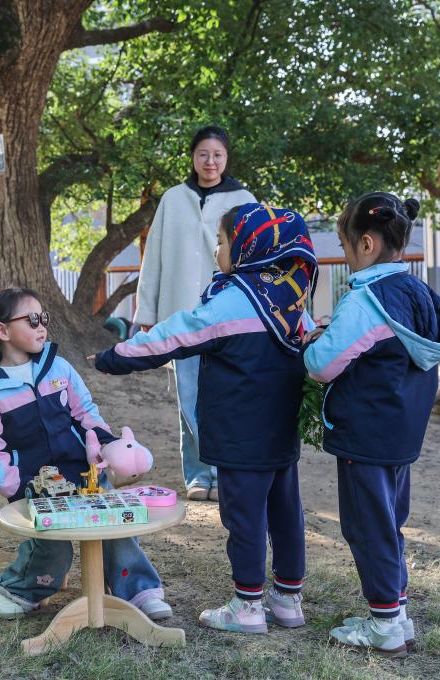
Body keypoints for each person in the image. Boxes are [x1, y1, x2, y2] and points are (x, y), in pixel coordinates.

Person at [94, 204, 317, 634]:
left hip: (239, 436)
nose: (217, 250)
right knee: (286, 512)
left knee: (245, 518)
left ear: (247, 246)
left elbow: (172, 337)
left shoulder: (231, 301)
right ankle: (288, 600)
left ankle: (247, 606)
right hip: (281, 432)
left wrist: (113, 357)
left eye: (221, 241)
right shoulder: (291, 298)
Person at [304, 193, 440, 657]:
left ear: (367, 244)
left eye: (345, 246)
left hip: (365, 434)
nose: (346, 254)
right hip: (401, 433)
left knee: (367, 527)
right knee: (388, 523)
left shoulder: (366, 300)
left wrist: (316, 340)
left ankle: (385, 625)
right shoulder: (421, 294)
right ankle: (396, 612)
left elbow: (321, 365)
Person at [0, 287, 171, 621]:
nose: (42, 326)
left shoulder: (59, 369)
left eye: (44, 318)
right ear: (3, 330)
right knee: (52, 548)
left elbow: (85, 413)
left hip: (85, 474)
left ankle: (139, 590)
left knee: (118, 527)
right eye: (31, 320)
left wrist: (107, 445)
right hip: (35, 485)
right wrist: (16, 488)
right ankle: (18, 588)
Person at [133, 126, 257, 501]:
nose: (210, 162)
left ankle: (224, 471)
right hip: (180, 313)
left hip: (229, 315)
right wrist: (147, 311)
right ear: (192, 157)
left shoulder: (244, 199)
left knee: (226, 397)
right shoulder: (173, 199)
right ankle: (199, 473)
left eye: (217, 155)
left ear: (227, 158)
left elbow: (256, 255)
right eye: (203, 154)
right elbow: (153, 257)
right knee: (188, 397)